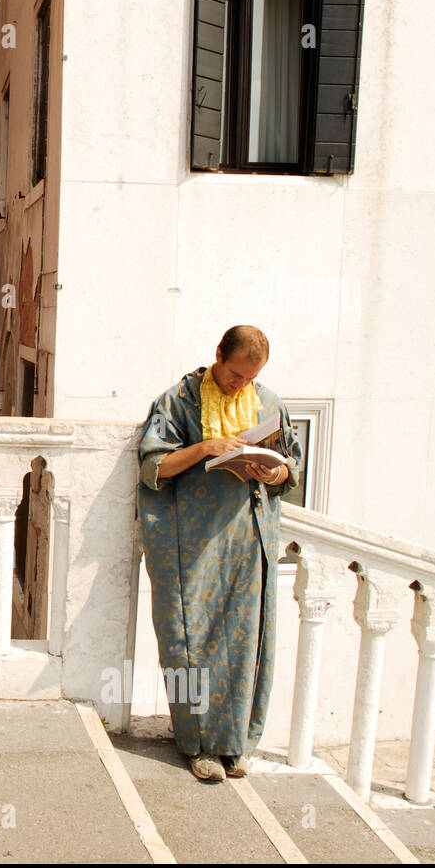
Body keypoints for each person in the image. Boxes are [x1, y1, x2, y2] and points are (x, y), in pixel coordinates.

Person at [136, 326, 303, 782]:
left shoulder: (269, 404)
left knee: (246, 642)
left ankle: (236, 745)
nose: (240, 385)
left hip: (250, 542)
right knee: (190, 641)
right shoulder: (178, 401)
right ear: (217, 357)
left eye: (249, 378)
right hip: (191, 543)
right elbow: (153, 466)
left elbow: (291, 466)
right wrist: (206, 448)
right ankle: (197, 744)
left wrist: (271, 474)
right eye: (234, 375)